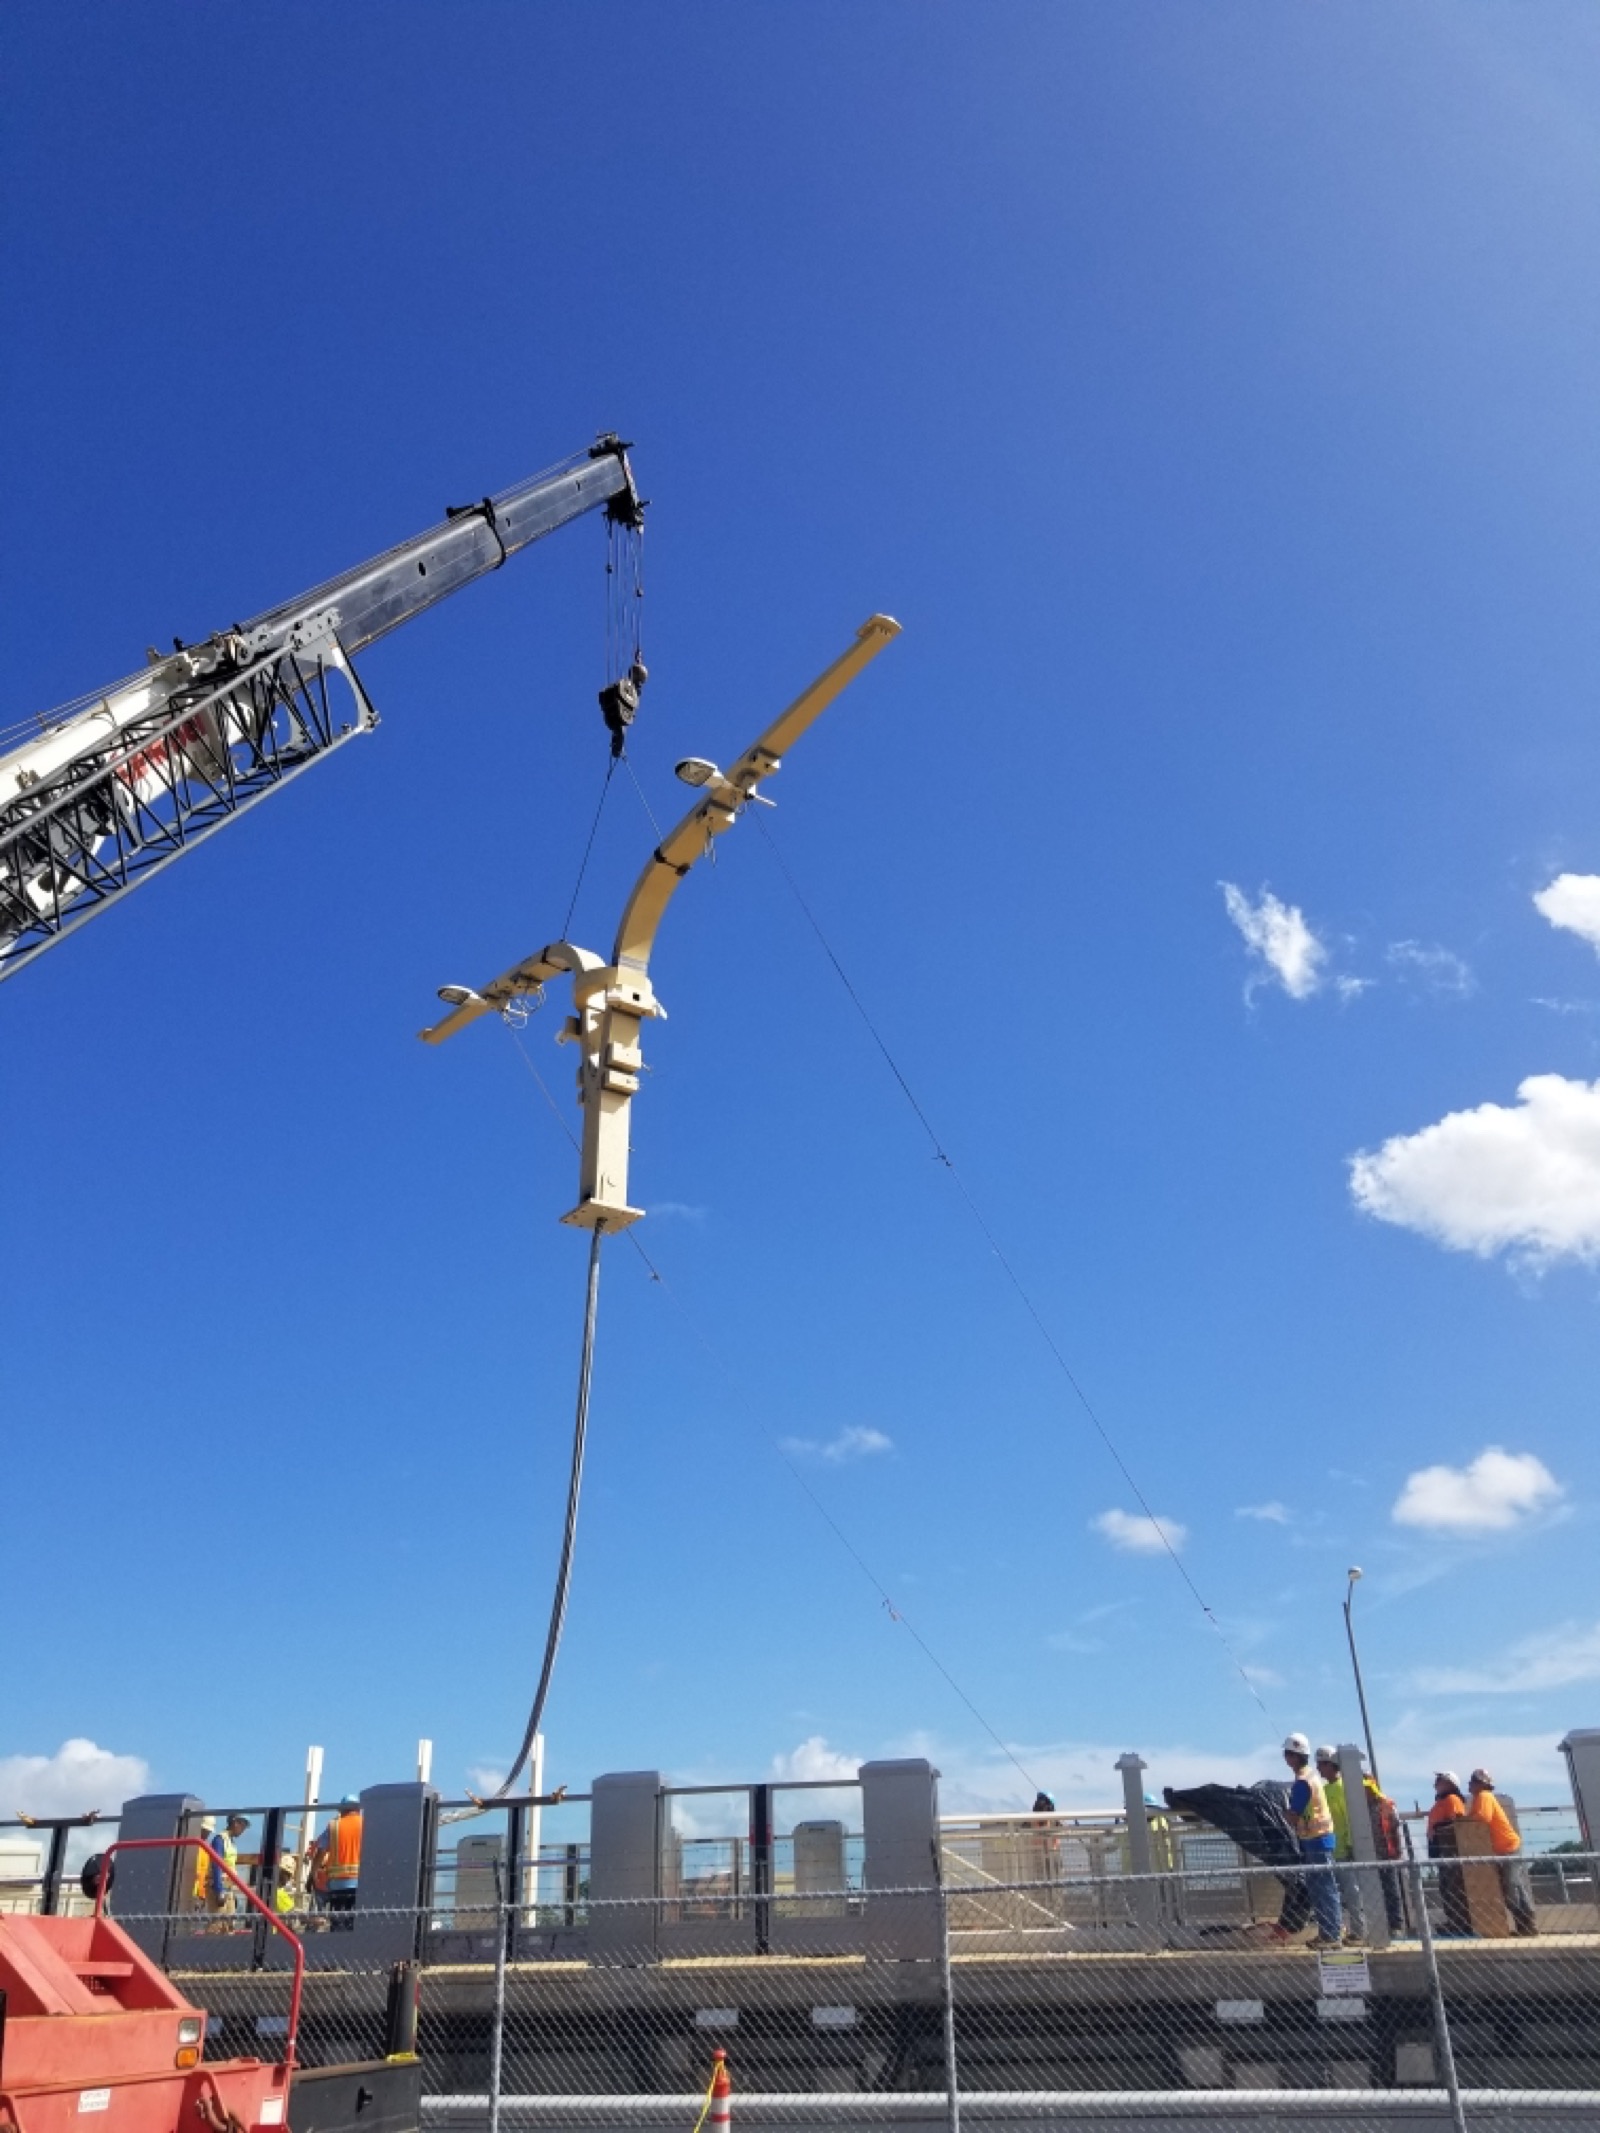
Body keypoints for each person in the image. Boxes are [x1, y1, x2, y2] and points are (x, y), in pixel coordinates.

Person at [1281, 1733, 1342, 1948]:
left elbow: (1293, 1814)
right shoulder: (1313, 1778)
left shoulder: (1302, 1783)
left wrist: (1284, 1814)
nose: (1285, 1758)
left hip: (1316, 1840)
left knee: (1323, 1889)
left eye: (1287, 1753)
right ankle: (1329, 1933)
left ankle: (1331, 1935)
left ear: (1294, 1757)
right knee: (1322, 1889)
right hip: (1319, 1839)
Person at [1468, 1768, 1538, 1937]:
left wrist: (1464, 1820)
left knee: (1511, 1886)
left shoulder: (1484, 1796)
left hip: (1507, 1848)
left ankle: (1527, 1923)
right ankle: (1525, 1925)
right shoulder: (1480, 1798)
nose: (1470, 1784)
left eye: (1473, 1781)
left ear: (1481, 1784)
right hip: (1503, 1849)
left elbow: (1482, 1818)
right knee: (1514, 1886)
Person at [1314, 1747, 1366, 1943]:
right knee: (1333, 1894)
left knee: (1352, 1893)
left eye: (1321, 1764)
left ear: (1331, 1765)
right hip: (1330, 1850)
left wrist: (1353, 1845)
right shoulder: (1325, 1790)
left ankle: (1358, 1932)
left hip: (1344, 1850)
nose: (1318, 1768)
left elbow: (1352, 1818)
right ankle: (1337, 1930)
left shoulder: (1346, 1788)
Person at [1427, 1772, 1472, 1935]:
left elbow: (1457, 1821)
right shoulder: (1441, 1802)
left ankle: (1460, 1923)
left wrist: (1438, 1827)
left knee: (1455, 1888)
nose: (1436, 1784)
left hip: (1451, 1851)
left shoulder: (1452, 1800)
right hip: (1441, 1851)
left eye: (1440, 1781)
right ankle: (1453, 1920)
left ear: (1450, 1784)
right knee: (1446, 1888)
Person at [310, 1795, 362, 1929]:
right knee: (356, 1922)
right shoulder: (366, 1824)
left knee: (338, 1922)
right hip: (361, 1883)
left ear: (341, 1809)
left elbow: (320, 1851)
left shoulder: (334, 1826)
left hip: (338, 1885)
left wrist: (313, 1874)